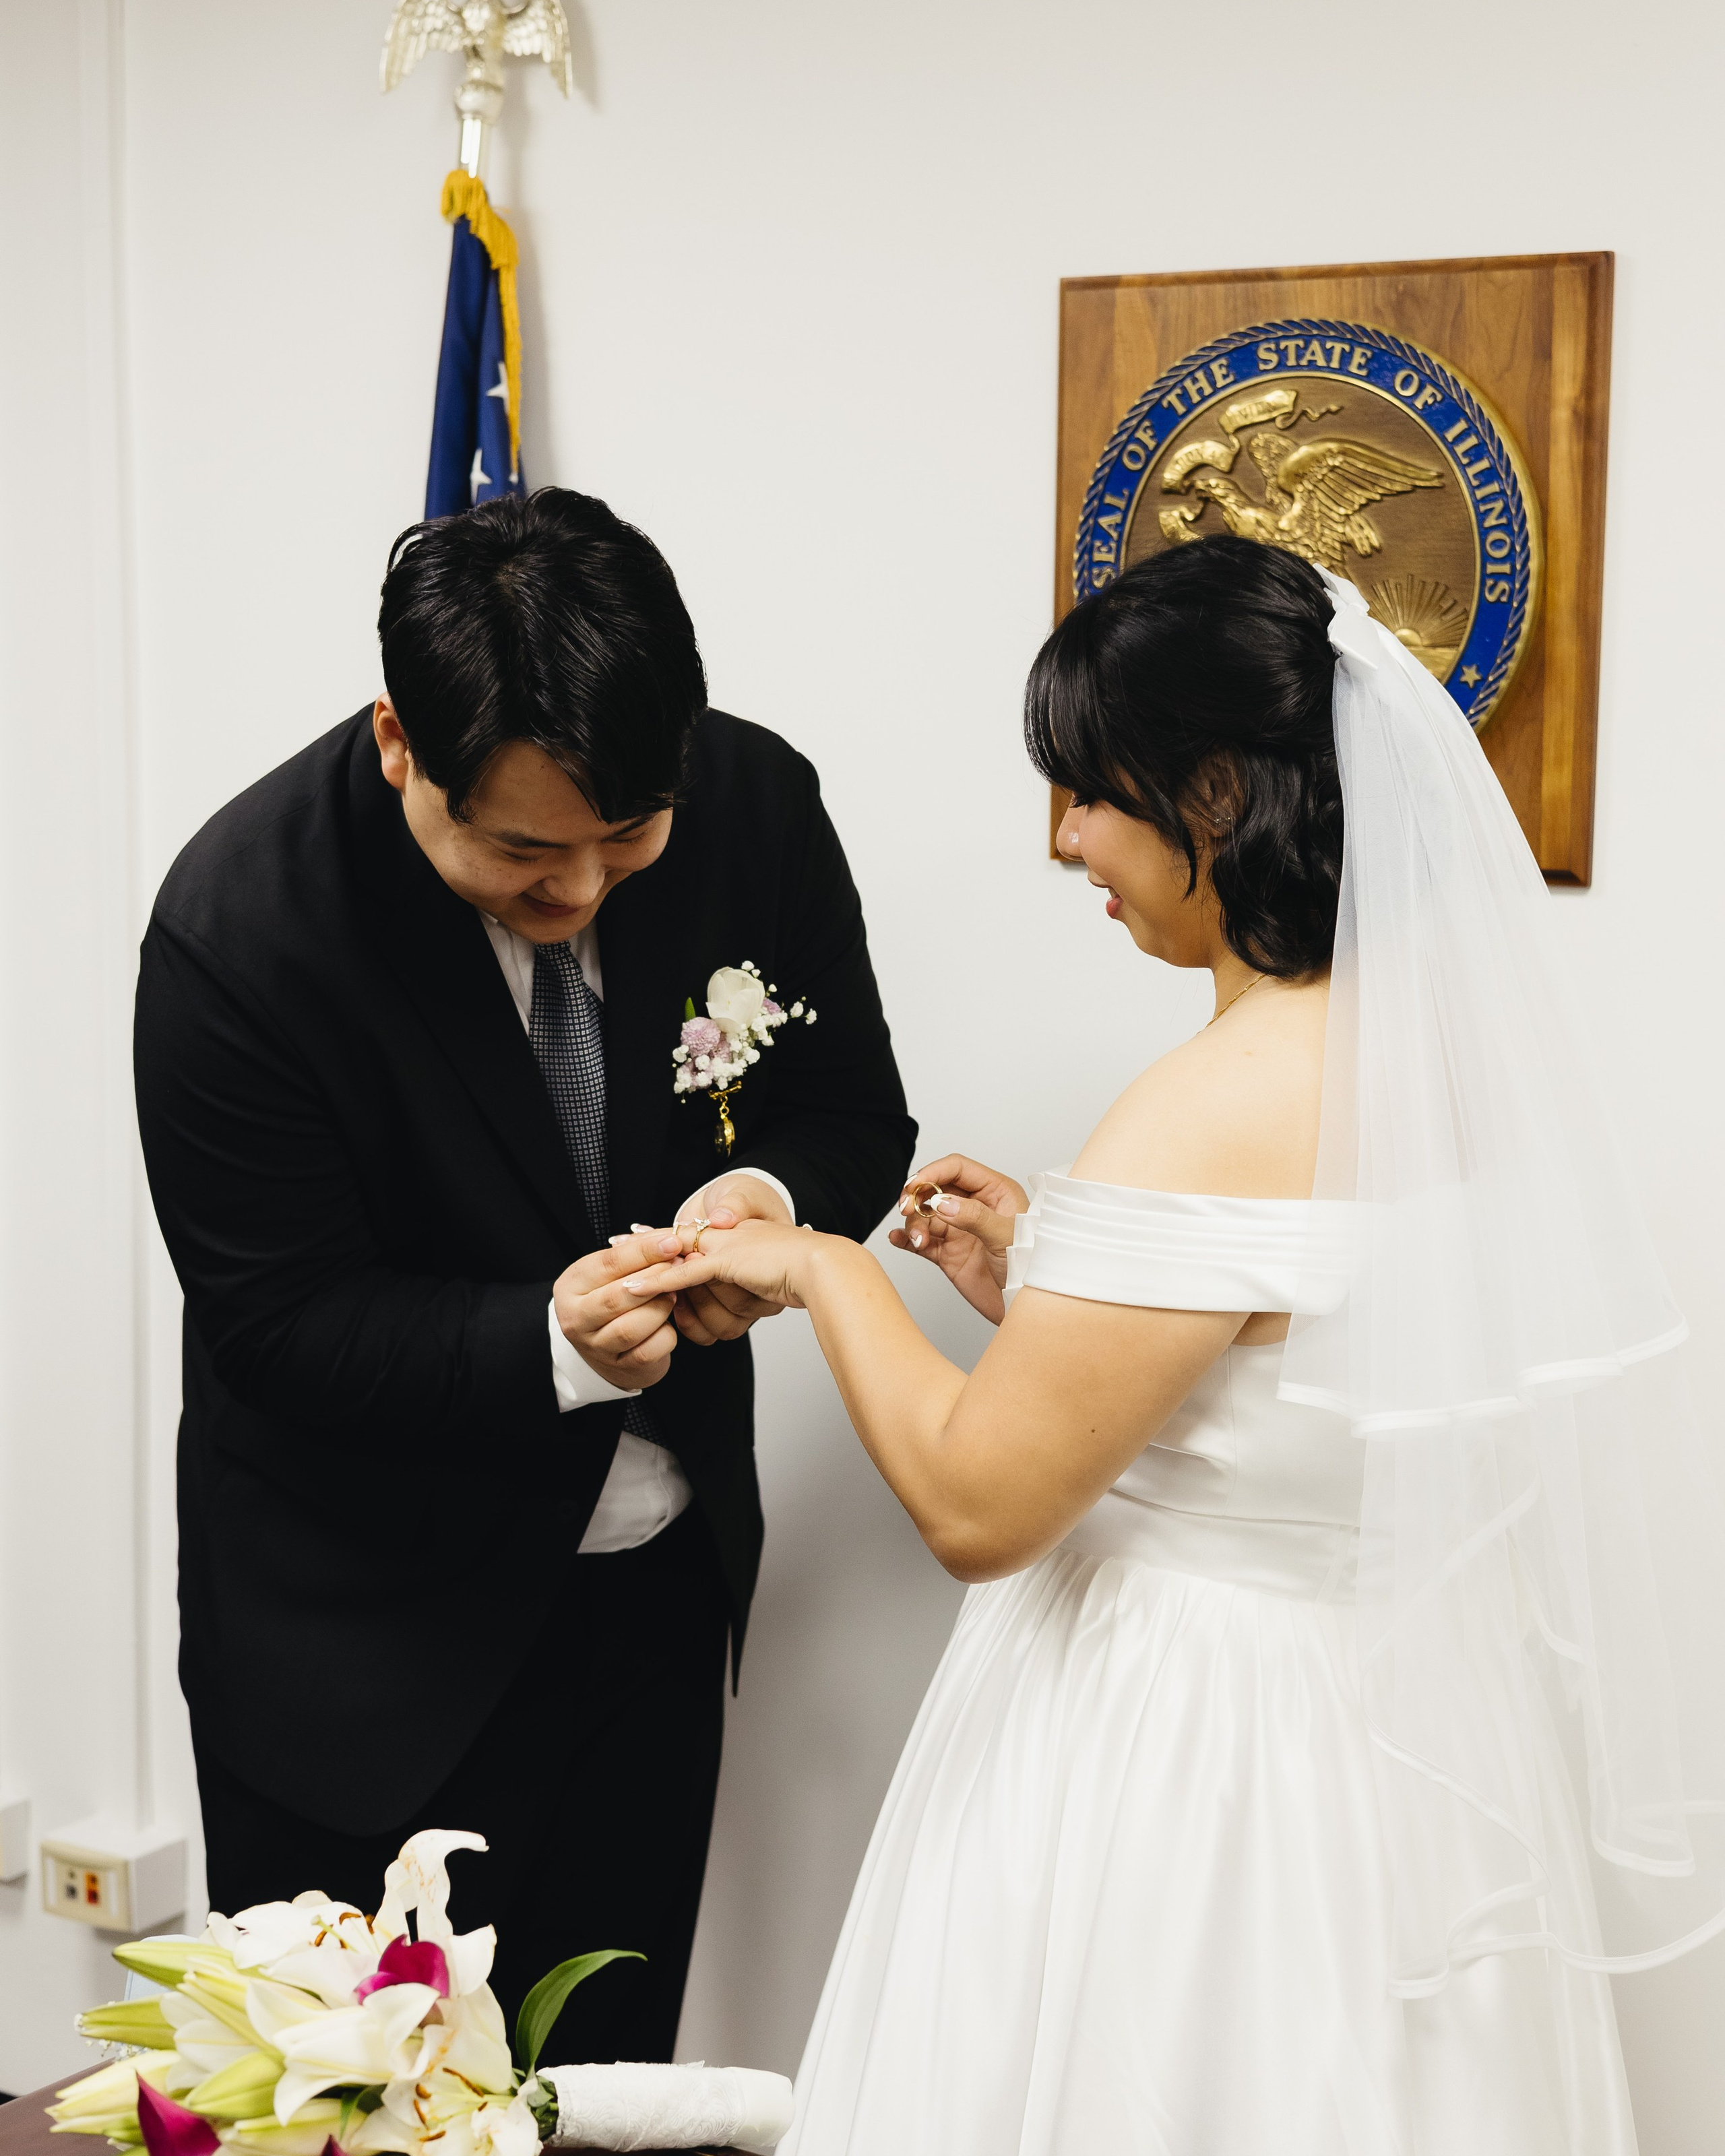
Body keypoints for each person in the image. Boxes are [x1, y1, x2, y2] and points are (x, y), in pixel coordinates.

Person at [616, 536, 1725, 2153]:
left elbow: (979, 1509)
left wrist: (814, 1272)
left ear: (1211, 794)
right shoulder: (1439, 1053)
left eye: (1090, 793)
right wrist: (1048, 1280)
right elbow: (1309, 1375)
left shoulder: (1206, 1105)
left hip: (1197, 1764)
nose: (1065, 839)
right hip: (1387, 1747)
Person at [133, 488, 914, 2063]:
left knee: (607, 2088)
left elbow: (851, 1118)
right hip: (355, 1646)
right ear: (399, 744)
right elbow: (276, 1321)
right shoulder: (240, 930)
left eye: (628, 839)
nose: (584, 896)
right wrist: (551, 1344)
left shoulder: (753, 803)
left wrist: (749, 1203)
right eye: (522, 854)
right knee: (369, 2104)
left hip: (649, 1609)